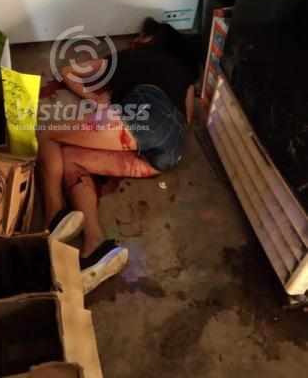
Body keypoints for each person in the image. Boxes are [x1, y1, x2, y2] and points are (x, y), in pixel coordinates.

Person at [37, 17, 198, 294]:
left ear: (152, 40)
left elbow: (68, 71)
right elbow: (187, 120)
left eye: (143, 35)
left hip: (144, 115)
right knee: (72, 157)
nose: (136, 38)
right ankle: (96, 246)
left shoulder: (131, 56)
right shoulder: (185, 77)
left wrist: (95, 99)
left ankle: (54, 215)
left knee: (48, 134)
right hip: (172, 149)